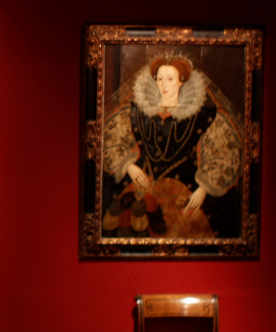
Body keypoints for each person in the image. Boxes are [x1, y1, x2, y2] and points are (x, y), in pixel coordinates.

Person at [102, 54, 242, 238]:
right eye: (160, 79)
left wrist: (204, 189)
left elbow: (225, 152)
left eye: (170, 79)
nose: (164, 85)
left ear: (181, 82)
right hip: (141, 183)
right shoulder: (135, 112)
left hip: (184, 190)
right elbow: (112, 139)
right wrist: (128, 167)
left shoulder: (202, 116)